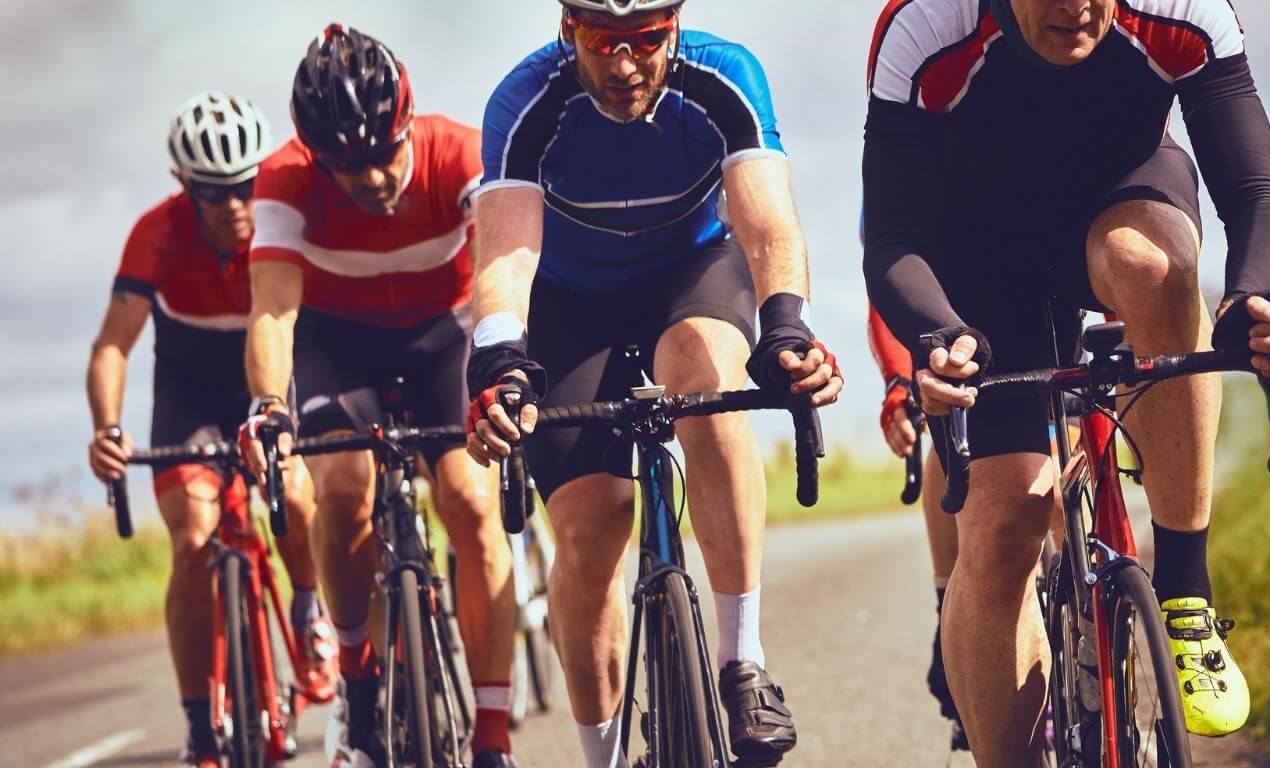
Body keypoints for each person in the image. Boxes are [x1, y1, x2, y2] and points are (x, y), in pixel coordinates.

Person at [863, 0, 1270, 764]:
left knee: (1154, 265)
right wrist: (936, 338)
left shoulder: (1182, 11)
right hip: (982, 261)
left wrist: (1254, 297)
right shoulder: (930, 26)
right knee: (1002, 530)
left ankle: (1186, 595)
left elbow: (1255, 190)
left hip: (1123, 199)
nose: (1075, 7)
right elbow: (896, 237)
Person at [465, 1, 843, 765]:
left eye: (646, 39)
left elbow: (767, 222)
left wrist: (788, 329)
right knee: (591, 525)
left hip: (690, 273)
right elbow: (504, 257)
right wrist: (499, 361)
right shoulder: (526, 100)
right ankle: (599, 753)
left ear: (674, 27)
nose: (626, 63)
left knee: (704, 373)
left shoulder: (724, 77)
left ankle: (744, 662)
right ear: (569, 29)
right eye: (605, 40)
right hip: (572, 305)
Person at [238, 25, 516, 768]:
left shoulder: (461, 152)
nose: (373, 180)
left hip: (440, 336)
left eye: (385, 155)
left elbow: (497, 269)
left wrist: (505, 365)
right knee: (342, 485)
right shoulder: (285, 179)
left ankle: (492, 732)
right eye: (347, 168)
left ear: (408, 120)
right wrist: (268, 405)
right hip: (337, 345)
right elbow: (272, 311)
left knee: (472, 501)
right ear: (316, 156)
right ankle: (358, 676)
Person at [85, 92, 334, 768]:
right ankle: (199, 722)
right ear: (184, 187)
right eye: (212, 192)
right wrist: (107, 429)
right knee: (192, 541)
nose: (233, 205)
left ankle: (310, 606)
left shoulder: (284, 224)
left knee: (296, 492)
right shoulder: (157, 234)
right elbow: (113, 345)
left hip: (272, 384)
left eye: (245, 187)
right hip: (189, 397)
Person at [868, 306, 967, 749]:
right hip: (958, 330)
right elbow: (886, 301)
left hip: (1067, 314)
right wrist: (898, 381)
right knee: (948, 425)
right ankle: (949, 608)